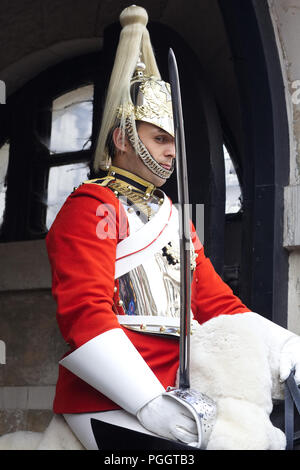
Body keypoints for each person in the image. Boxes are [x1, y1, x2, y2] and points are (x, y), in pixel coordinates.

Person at [46, 5, 300, 450]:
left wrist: (285, 350)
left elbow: (216, 304)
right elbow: (85, 314)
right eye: (159, 138)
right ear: (123, 138)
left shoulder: (170, 214)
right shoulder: (92, 206)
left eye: (174, 142)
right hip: (112, 397)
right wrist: (145, 400)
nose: (171, 153)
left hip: (179, 384)